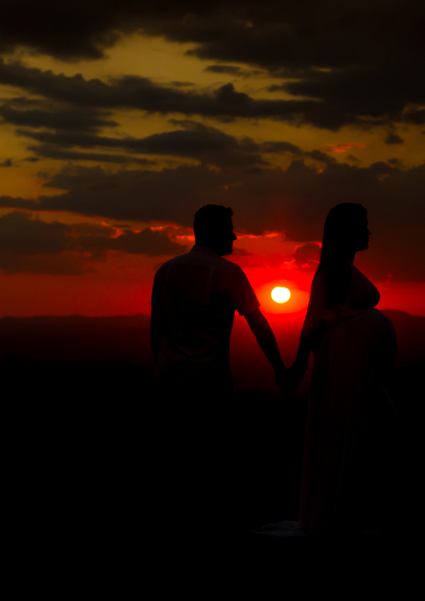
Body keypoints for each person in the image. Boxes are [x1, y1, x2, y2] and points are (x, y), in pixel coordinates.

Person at [149, 204, 289, 533]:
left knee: (176, 468)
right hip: (211, 388)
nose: (235, 236)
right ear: (213, 232)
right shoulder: (228, 272)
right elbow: (259, 326)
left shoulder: (166, 270)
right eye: (229, 229)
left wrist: (161, 368)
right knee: (214, 467)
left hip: (170, 387)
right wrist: (281, 370)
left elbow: (156, 328)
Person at [283, 202, 397, 538]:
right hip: (344, 361)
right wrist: (298, 367)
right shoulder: (331, 268)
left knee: (373, 429)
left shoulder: (342, 266)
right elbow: (311, 323)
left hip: (355, 362)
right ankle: (343, 512)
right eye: (362, 225)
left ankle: (355, 509)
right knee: (361, 427)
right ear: (346, 230)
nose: (368, 231)